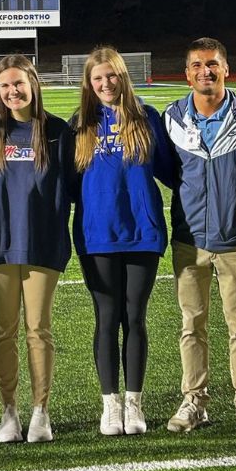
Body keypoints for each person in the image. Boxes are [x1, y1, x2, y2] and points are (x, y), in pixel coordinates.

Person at [162, 37, 236, 436]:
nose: (205, 71)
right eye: (197, 65)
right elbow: (168, 170)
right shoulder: (172, 116)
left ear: (226, 69)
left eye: (212, 64)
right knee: (192, 323)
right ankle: (195, 399)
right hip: (189, 238)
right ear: (186, 73)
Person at [0, 55, 73, 443]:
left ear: (33, 85)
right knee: (3, 331)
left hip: (42, 243)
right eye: (5, 85)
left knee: (38, 329)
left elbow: (75, 189)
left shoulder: (58, 132)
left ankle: (40, 411)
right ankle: (8, 410)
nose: (12, 91)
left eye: (19, 83)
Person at [71, 46, 174, 436]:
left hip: (142, 234)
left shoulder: (146, 117)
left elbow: (171, 170)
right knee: (106, 318)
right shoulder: (80, 123)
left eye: (110, 75)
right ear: (89, 83)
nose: (105, 83)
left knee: (135, 318)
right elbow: (64, 183)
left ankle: (134, 403)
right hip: (97, 235)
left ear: (122, 76)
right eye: (97, 78)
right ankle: (110, 405)